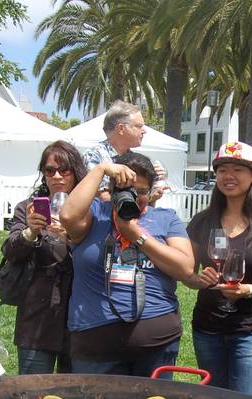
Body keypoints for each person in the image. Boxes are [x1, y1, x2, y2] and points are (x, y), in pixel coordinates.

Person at [60, 151, 194, 377]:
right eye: (127, 190)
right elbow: (67, 216)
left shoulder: (166, 218)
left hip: (156, 343)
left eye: (142, 191)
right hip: (96, 345)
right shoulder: (95, 214)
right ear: (112, 189)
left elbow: (185, 268)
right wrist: (101, 169)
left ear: (151, 192)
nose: (135, 197)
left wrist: (136, 235)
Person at [183, 142, 252, 395]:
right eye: (222, 170)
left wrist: (250, 290)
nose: (228, 176)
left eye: (237, 169)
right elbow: (187, 274)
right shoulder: (202, 221)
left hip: (250, 331)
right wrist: (197, 279)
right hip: (207, 328)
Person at [0, 141, 84, 374]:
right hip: (37, 317)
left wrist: (72, 238)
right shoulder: (28, 208)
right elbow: (10, 251)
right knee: (34, 390)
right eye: (49, 170)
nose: (57, 176)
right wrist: (31, 231)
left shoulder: (88, 209)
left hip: (79, 316)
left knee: (75, 392)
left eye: (64, 170)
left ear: (76, 172)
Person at [82, 100, 147, 199]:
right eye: (139, 126)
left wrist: (152, 192)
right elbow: (102, 198)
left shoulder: (135, 159)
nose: (144, 131)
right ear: (121, 128)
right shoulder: (94, 155)